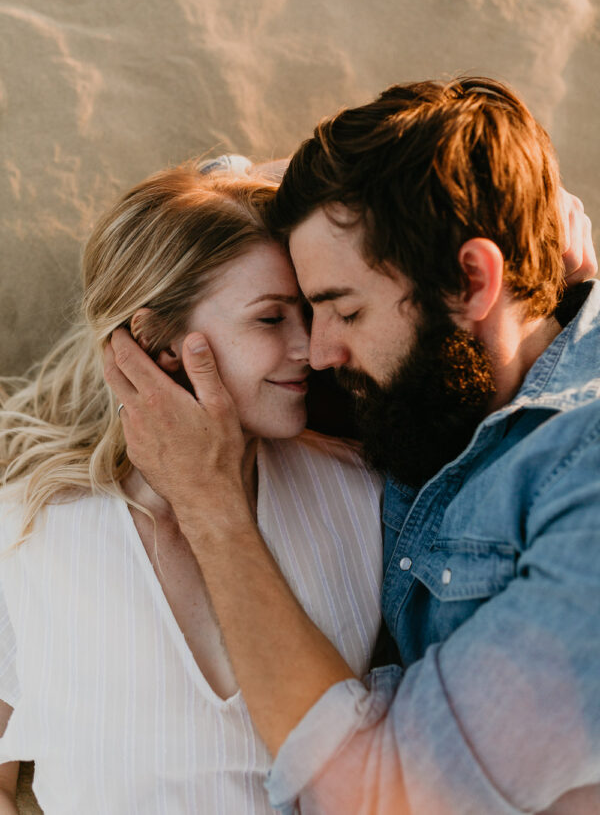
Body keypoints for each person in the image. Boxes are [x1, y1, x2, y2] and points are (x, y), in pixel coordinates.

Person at [105, 77, 600, 814]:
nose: (320, 350)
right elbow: (218, 203)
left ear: (471, 281)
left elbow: (377, 794)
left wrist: (212, 507)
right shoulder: (448, 364)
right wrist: (525, 210)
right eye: (304, 308)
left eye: (343, 309)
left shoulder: (580, 492)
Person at [0, 161, 385, 814]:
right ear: (157, 343)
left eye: (312, 312)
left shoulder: (367, 496)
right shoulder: (28, 531)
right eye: (270, 320)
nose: (312, 350)